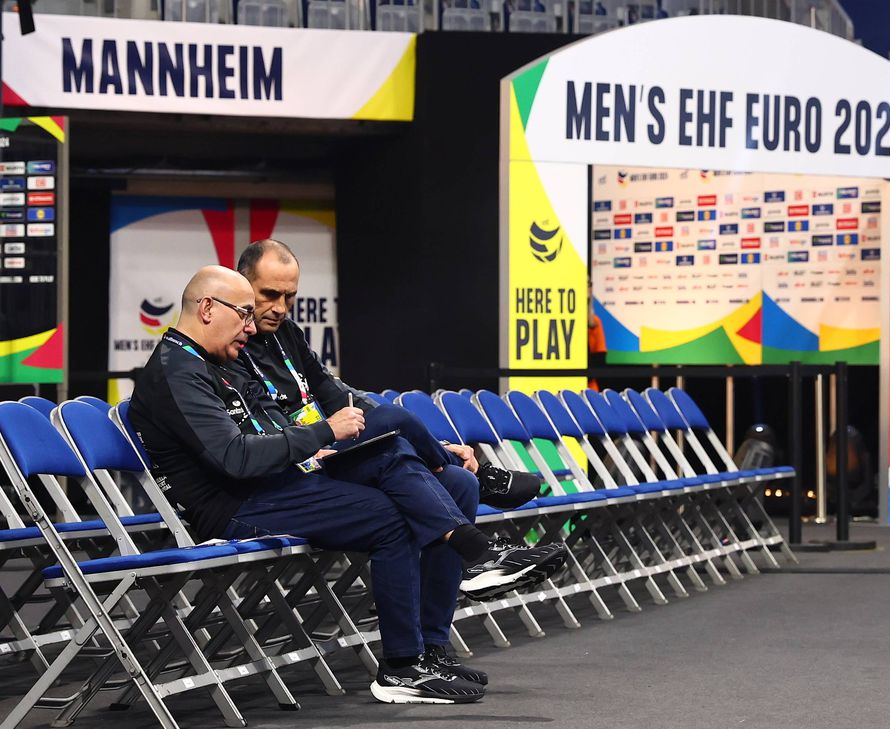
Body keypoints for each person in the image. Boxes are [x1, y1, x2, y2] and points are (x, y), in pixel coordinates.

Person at [129, 266, 565, 705]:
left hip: (278, 479)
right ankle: (402, 665)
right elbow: (235, 458)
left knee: (432, 473)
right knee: (391, 514)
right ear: (207, 308)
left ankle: (445, 621)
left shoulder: (217, 361)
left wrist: (311, 447)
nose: (250, 325)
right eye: (244, 312)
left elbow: (271, 423)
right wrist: (321, 435)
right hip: (235, 504)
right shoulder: (177, 371)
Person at [233, 239, 539, 513]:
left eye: (289, 297)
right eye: (270, 295)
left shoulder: (287, 333)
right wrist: (319, 437)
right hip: (299, 461)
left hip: (330, 450)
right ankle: (466, 469)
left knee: (459, 483)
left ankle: (465, 567)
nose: (280, 308)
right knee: (395, 420)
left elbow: (332, 391)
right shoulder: (227, 346)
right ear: (242, 286)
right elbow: (258, 425)